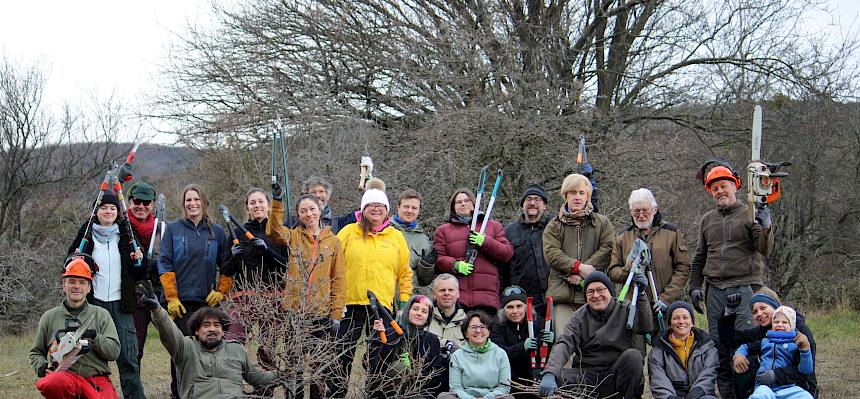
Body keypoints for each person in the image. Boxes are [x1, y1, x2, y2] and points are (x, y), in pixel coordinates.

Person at [688, 164, 772, 399]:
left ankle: (750, 392)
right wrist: (694, 286)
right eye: (714, 188)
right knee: (718, 347)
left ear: (735, 186)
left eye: (723, 186)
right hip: (715, 289)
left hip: (745, 286)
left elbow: (764, 248)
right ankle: (726, 394)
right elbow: (699, 257)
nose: (719, 191)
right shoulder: (707, 220)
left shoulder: (749, 212)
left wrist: (765, 226)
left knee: (747, 342)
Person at [66, 190, 146, 399]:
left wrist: (139, 259)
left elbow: (140, 271)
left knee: (128, 358)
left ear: (118, 212)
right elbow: (71, 263)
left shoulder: (126, 234)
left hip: (122, 304)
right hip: (94, 305)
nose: (108, 211)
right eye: (103, 208)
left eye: (112, 208)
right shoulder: (86, 234)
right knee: (90, 356)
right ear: (96, 211)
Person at [334, 188, 413, 398]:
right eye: (371, 204)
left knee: (378, 359)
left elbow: (405, 274)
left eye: (381, 205)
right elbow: (331, 265)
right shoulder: (348, 232)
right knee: (341, 357)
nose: (376, 208)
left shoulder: (396, 237)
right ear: (363, 209)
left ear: (387, 210)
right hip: (349, 306)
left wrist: (403, 304)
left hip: (382, 310)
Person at [138, 283, 279, 398]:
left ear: (223, 331)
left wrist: (285, 373)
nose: (212, 329)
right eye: (206, 325)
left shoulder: (237, 350)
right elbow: (169, 332)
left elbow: (259, 378)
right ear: (197, 331)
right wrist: (157, 310)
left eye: (216, 325)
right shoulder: (186, 347)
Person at [158, 184, 231, 398]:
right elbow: (164, 263)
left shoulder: (216, 232)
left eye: (196, 199)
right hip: (178, 305)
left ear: (204, 202)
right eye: (188, 200)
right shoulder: (172, 229)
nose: (192, 203)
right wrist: (171, 298)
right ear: (183, 204)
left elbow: (226, 265)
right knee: (180, 351)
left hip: (205, 305)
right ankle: (178, 393)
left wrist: (221, 291)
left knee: (205, 351)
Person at [539, 272, 652, 399]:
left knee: (633, 356)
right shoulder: (579, 317)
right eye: (590, 291)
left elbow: (645, 326)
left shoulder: (625, 308)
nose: (596, 295)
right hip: (587, 377)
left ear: (610, 291)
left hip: (617, 374)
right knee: (558, 376)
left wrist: (642, 296)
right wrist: (550, 372)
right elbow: (564, 343)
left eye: (600, 290)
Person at [608, 188, 690, 351]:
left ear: (654, 209)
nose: (641, 215)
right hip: (634, 307)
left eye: (645, 210)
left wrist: (667, 297)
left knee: (667, 354)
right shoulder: (623, 237)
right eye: (636, 211)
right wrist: (628, 269)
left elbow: (683, 267)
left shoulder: (671, 234)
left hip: (663, 306)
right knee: (634, 356)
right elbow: (612, 271)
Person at [29, 256, 121, 399]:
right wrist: (41, 367)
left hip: (95, 381)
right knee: (53, 382)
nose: (76, 286)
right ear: (63, 285)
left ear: (89, 288)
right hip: (65, 380)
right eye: (71, 281)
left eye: (82, 282)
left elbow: (114, 352)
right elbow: (35, 352)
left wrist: (95, 338)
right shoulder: (49, 317)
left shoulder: (101, 315)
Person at [542, 173, 614, 334]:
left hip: (596, 295)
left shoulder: (602, 223)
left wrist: (584, 274)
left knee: (594, 346)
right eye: (573, 192)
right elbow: (551, 253)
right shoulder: (553, 226)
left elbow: (608, 249)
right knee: (564, 343)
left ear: (588, 196)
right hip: (563, 296)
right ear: (565, 195)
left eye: (582, 193)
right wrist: (577, 267)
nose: (577, 197)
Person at [719, 289, 818, 397]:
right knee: (747, 362)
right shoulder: (762, 332)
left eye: (763, 308)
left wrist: (776, 375)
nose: (759, 314)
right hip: (765, 387)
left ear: (775, 307)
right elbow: (730, 339)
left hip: (796, 386)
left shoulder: (799, 332)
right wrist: (729, 312)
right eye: (755, 312)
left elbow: (806, 371)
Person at [222, 188, 289, 343]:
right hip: (243, 296)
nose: (257, 205)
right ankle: (236, 367)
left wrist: (268, 250)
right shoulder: (237, 234)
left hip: (273, 296)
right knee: (233, 340)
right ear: (247, 207)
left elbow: (286, 265)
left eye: (261, 201)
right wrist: (233, 257)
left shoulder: (278, 233)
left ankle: (266, 368)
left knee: (268, 346)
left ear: (268, 206)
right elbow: (226, 270)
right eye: (252, 202)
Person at [434, 188, 513, 314]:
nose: (463, 204)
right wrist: (455, 265)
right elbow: (438, 259)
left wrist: (485, 241)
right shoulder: (443, 231)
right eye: (459, 202)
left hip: (487, 298)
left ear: (474, 204)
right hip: (458, 301)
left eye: (467, 200)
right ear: (453, 207)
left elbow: (506, 254)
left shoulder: (492, 226)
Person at [368, 295, 443, 398]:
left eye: (424, 311)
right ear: (407, 311)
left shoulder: (432, 340)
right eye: (415, 309)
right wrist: (376, 339)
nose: (419, 313)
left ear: (428, 318)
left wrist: (413, 370)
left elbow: (435, 377)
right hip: (384, 391)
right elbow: (369, 365)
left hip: (417, 392)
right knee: (399, 367)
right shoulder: (390, 333)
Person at [733, 306, 814, 399]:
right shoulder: (765, 341)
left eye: (784, 322)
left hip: (788, 387)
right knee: (760, 395)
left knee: (806, 396)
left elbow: (806, 370)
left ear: (791, 326)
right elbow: (746, 346)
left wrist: (805, 350)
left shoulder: (796, 344)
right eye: (776, 322)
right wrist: (739, 355)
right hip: (765, 386)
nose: (780, 325)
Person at [648, 301, 718, 399]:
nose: (681, 321)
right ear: (670, 323)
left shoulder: (707, 347)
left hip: (700, 395)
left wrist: (696, 392)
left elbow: (709, 373)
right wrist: (670, 397)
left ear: (692, 322)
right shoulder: (657, 351)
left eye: (685, 317)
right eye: (676, 318)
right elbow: (658, 380)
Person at [126, 181, 164, 363]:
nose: (141, 206)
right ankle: (133, 392)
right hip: (133, 296)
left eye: (146, 202)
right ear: (129, 202)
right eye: (137, 201)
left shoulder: (162, 229)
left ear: (153, 204)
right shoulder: (121, 227)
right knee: (134, 347)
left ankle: (179, 390)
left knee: (176, 342)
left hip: (159, 293)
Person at [438, 311, 513, 399]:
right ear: (466, 332)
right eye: (473, 327)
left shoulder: (500, 353)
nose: (478, 331)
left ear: (488, 332)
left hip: (492, 397)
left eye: (482, 327)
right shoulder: (457, 355)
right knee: (444, 396)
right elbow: (455, 387)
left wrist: (487, 398)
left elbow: (504, 387)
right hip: (465, 397)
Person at [490, 286, 554, 389]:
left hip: (535, 375)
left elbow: (549, 353)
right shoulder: (497, 327)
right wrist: (522, 347)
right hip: (510, 378)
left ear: (526, 307)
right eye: (510, 307)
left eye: (519, 306)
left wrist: (551, 342)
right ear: (503, 310)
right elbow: (499, 354)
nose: (515, 311)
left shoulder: (539, 323)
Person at [504, 184, 552, 317]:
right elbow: (502, 269)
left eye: (537, 199)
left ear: (544, 205)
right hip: (524, 302)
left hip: (554, 297)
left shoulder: (554, 226)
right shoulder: (509, 232)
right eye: (528, 199)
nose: (532, 203)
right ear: (522, 205)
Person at [391, 189, 436, 296]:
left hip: (407, 298)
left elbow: (424, 281)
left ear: (419, 211)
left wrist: (427, 267)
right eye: (406, 206)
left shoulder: (423, 241)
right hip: (380, 296)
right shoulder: (383, 230)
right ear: (398, 207)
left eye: (414, 208)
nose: (410, 211)